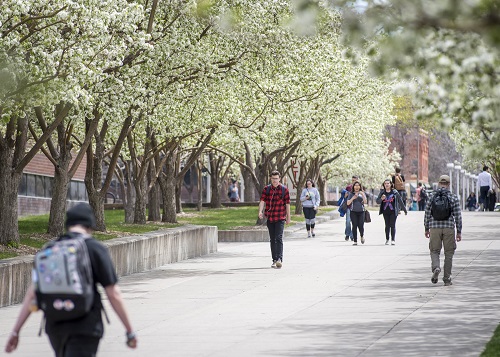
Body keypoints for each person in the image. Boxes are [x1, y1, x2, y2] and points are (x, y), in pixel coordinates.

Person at [5, 203, 137, 356]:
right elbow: (113, 293)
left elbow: (32, 294)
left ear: (68, 224)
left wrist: (16, 332)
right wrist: (129, 330)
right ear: (90, 225)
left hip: (55, 326)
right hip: (86, 326)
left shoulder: (49, 249)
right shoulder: (95, 248)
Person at [424, 175, 462, 286]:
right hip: (448, 227)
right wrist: (458, 231)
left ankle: (436, 267)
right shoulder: (453, 197)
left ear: (439, 183)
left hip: (435, 227)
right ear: (449, 184)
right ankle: (447, 279)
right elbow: (458, 215)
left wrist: (426, 228)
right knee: (449, 253)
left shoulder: (432, 196)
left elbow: (427, 213)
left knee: (434, 250)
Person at [258, 171, 291, 268]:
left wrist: (288, 217)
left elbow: (287, 204)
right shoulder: (267, 189)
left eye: (276, 179)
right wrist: (260, 211)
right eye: (273, 179)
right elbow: (262, 201)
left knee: (278, 238)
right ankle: (274, 260)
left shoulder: (284, 190)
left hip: (280, 217)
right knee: (272, 239)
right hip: (270, 218)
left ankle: (279, 259)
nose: (275, 180)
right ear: (270, 179)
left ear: (279, 179)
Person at [376, 179, 407, 245]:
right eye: (385, 184)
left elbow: (400, 201)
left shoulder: (395, 192)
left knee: (392, 225)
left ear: (391, 184)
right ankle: (387, 239)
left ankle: (393, 239)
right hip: (385, 211)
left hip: (393, 211)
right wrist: (381, 198)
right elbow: (377, 201)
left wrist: (404, 210)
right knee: (387, 225)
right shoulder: (382, 192)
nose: (386, 185)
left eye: (388, 183)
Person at [345, 181, 367, 246]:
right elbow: (348, 203)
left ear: (360, 186)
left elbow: (365, 202)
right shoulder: (351, 194)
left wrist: (362, 195)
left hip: (361, 211)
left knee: (361, 225)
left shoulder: (362, 193)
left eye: (358, 185)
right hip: (353, 211)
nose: (356, 187)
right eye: (355, 185)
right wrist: (353, 198)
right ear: (353, 187)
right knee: (354, 225)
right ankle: (355, 240)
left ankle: (362, 236)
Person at [343, 175, 359, 241]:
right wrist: (345, 196)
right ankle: (347, 234)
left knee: (354, 222)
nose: (353, 182)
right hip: (349, 206)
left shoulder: (360, 188)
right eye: (352, 180)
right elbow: (344, 197)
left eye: (355, 180)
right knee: (348, 221)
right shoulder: (348, 187)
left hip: (356, 207)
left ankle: (352, 235)